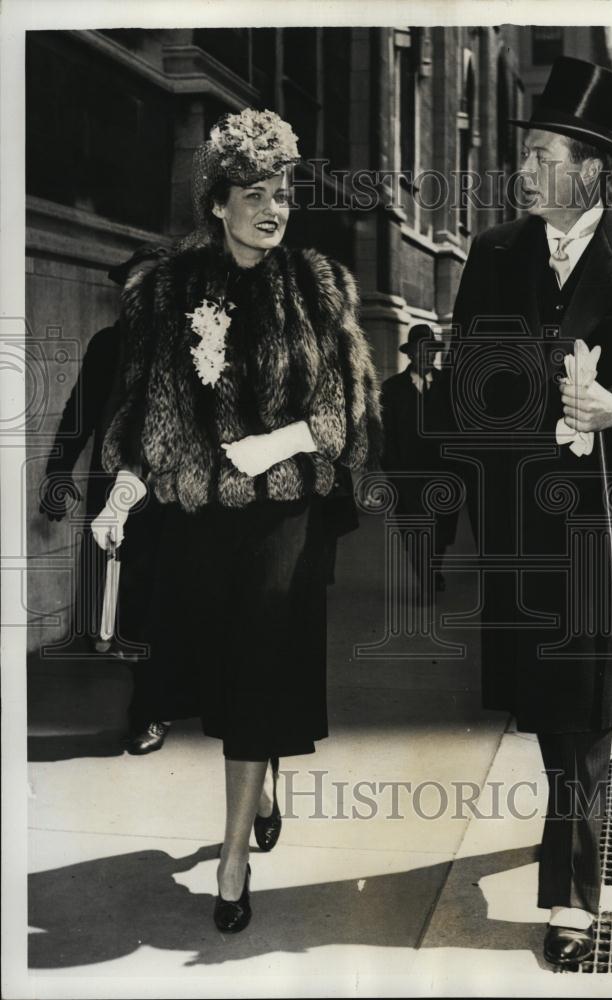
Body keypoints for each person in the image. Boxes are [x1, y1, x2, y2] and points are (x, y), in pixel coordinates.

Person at [450, 57, 612, 966]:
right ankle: (568, 823)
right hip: (520, 514)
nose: (521, 170)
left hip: (608, 511)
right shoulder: (493, 256)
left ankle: (572, 895)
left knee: (585, 697)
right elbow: (461, 383)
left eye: (539, 154)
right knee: (545, 703)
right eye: (522, 153)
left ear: (592, 169)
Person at [94, 108, 381, 932]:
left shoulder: (318, 287)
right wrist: (120, 495)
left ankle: (228, 860)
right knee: (233, 683)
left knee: (259, 673)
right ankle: (264, 777)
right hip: (200, 524)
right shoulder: (168, 292)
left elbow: (350, 413)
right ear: (217, 203)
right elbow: (144, 406)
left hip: (283, 518)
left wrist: (280, 442)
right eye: (252, 193)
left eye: (282, 192)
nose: (272, 207)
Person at [39, 247, 174, 754]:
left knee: (152, 606)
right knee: (122, 609)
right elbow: (79, 412)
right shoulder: (107, 345)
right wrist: (56, 472)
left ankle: (153, 713)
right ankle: (152, 703)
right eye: (131, 286)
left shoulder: (184, 352)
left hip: (169, 502)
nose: (137, 296)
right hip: (110, 500)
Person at [380, 324, 457, 593]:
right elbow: (384, 436)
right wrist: (393, 473)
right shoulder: (392, 389)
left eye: (432, 350)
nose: (428, 356)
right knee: (413, 531)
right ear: (411, 354)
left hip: (443, 475)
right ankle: (425, 579)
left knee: (441, 530)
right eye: (421, 351)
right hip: (407, 475)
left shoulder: (448, 386)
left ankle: (433, 571)